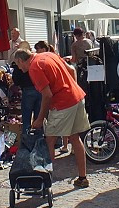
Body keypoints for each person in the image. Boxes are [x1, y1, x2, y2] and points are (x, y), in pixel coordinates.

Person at [12, 48, 91, 188]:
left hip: (63, 103)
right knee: (75, 138)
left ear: (20, 60)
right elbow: (72, 70)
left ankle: (45, 181)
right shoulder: (48, 54)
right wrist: (72, 89)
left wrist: (39, 118)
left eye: (18, 65)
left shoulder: (34, 68)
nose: (19, 68)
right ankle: (82, 177)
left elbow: (47, 95)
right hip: (77, 97)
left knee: (50, 140)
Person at [11, 42, 39, 135]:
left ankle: (26, 139)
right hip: (39, 89)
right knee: (38, 117)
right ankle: (38, 139)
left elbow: (16, 80)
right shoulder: (35, 63)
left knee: (26, 117)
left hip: (27, 90)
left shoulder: (21, 66)